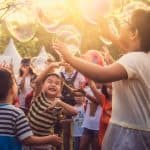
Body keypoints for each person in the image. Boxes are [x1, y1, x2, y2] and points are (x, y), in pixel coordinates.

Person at [53, 9, 150, 150]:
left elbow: (101, 75)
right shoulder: (143, 58)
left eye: (125, 23)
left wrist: (70, 57)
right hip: (140, 132)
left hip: (129, 137)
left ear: (133, 33)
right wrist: (110, 34)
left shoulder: (133, 59)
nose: (120, 25)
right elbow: (129, 48)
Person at [0, 65, 62, 150]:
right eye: (15, 83)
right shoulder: (16, 113)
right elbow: (27, 139)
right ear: (11, 89)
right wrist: (50, 139)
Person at [27, 62, 78, 150]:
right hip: (28, 138)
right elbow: (38, 81)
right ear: (43, 85)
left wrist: (60, 102)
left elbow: (75, 112)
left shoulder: (57, 107)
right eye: (49, 81)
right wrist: (50, 66)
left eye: (57, 83)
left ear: (60, 89)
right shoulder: (39, 95)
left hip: (44, 142)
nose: (53, 84)